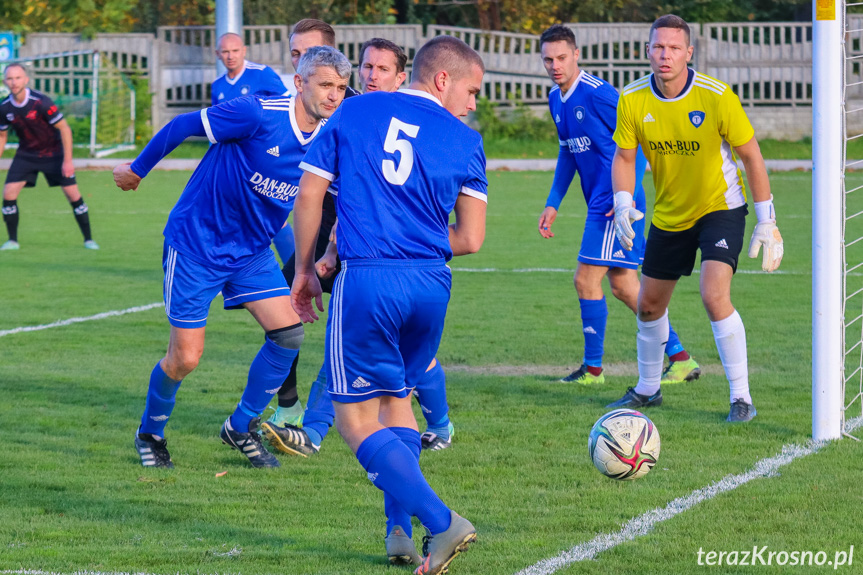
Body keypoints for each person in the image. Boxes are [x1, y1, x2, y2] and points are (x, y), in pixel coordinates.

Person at [290, 35, 486, 574]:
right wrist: (416, 238)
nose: (473, 103)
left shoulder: (355, 112)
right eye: (471, 90)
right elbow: (470, 238)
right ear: (442, 80)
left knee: (353, 420)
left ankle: (442, 524)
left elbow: (310, 194)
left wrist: (306, 269)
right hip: (431, 284)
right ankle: (399, 531)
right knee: (397, 400)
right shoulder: (466, 140)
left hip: (371, 279)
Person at [113, 46, 351, 468]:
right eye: (325, 84)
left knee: (289, 334)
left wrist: (321, 261)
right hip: (196, 245)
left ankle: (240, 425)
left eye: (341, 87)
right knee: (185, 357)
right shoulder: (258, 113)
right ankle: (150, 432)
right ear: (300, 82)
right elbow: (182, 124)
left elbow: (335, 204)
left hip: (251, 253)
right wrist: (137, 169)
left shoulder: (331, 140)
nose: (334, 95)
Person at [263, 38, 457, 458]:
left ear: (402, 78)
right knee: (329, 330)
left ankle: (439, 423)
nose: (371, 76)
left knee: (397, 352)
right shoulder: (352, 112)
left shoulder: (419, 126)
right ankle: (303, 422)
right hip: (346, 235)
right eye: (366, 67)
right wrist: (328, 250)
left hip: (390, 251)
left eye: (383, 69)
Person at [608, 15, 784, 422]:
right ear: (646, 51)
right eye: (657, 46)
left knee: (713, 294)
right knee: (649, 306)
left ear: (689, 53)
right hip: (670, 214)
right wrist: (621, 202)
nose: (664, 54)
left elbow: (751, 155)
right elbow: (624, 155)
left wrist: (765, 219)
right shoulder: (632, 98)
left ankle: (741, 398)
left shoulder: (715, 95)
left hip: (720, 208)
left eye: (673, 47)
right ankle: (648, 390)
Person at [536, 24, 699, 386]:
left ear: (576, 55)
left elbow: (637, 141)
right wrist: (553, 202)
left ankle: (593, 370)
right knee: (625, 286)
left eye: (562, 57)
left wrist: (623, 196)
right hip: (601, 201)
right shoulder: (555, 98)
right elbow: (567, 153)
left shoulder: (598, 94)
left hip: (612, 204)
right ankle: (681, 358)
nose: (555, 65)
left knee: (585, 279)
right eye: (548, 59)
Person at [263, 19, 362, 429]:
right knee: (282, 311)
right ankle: (289, 408)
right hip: (319, 226)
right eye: (295, 54)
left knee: (363, 328)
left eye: (310, 53)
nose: (301, 61)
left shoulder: (352, 107)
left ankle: (436, 419)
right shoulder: (294, 106)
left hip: (358, 233)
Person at [0, 64, 98, 251]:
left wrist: (67, 161)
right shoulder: (4, 107)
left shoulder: (41, 102)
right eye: (10, 79)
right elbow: (2, 136)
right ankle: (12, 241)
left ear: (26, 79)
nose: (14, 82)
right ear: (5, 81)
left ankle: (89, 240)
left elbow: (65, 129)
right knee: (8, 193)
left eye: (18, 78)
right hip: (26, 154)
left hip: (54, 154)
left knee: (73, 194)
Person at [211, 32, 287, 106]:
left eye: (235, 51)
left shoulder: (262, 73)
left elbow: (287, 103)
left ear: (244, 51)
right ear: (218, 54)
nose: (230, 57)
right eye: (225, 52)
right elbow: (215, 116)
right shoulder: (217, 84)